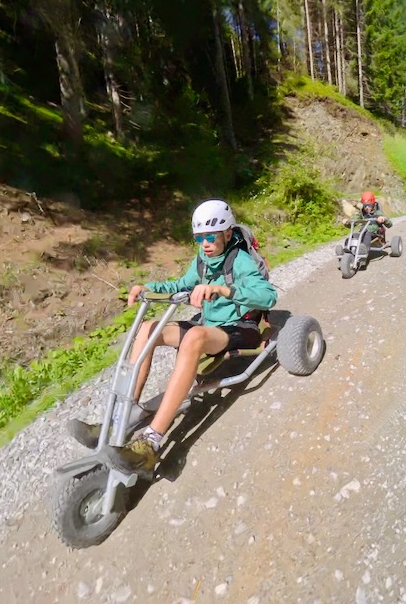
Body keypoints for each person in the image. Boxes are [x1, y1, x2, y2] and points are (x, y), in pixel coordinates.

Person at [66, 199, 277, 476]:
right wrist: (148, 288)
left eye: (210, 237)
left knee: (194, 338)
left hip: (240, 328)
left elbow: (268, 296)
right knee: (147, 329)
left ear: (227, 233)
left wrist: (225, 291)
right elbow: (180, 285)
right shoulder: (202, 260)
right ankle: (120, 420)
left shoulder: (241, 261)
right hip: (210, 326)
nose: (205, 243)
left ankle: (151, 443)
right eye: (199, 238)